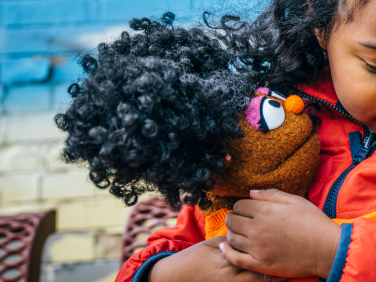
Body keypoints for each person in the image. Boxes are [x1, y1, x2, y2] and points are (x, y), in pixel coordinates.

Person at [55, 0, 376, 281]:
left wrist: (331, 250)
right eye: (374, 66)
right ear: (322, 25)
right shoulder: (267, 128)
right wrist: (168, 275)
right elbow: (184, 237)